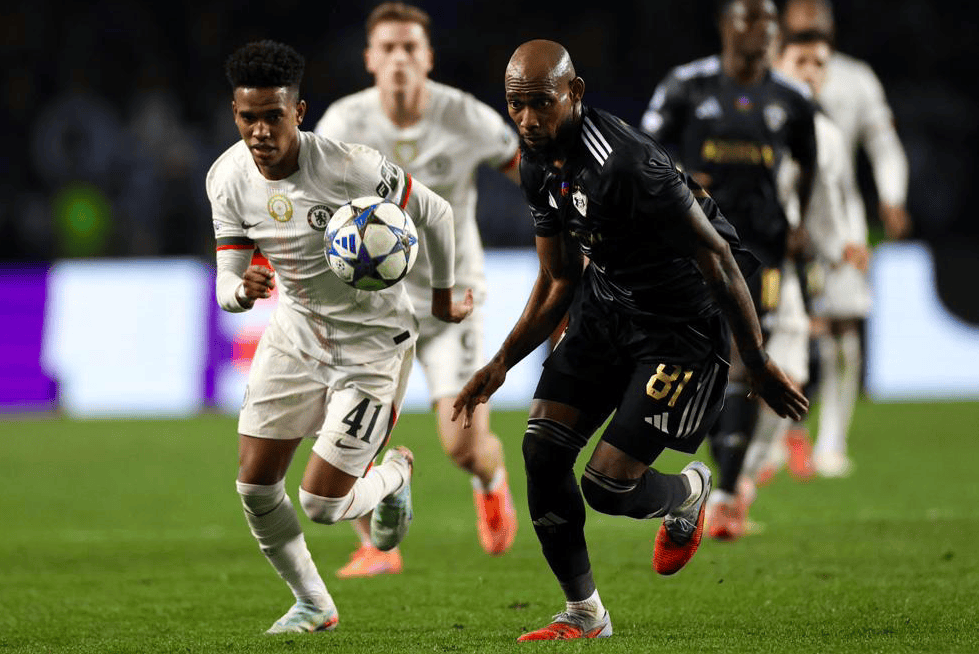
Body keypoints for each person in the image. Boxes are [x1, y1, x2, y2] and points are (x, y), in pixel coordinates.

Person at [452, 39, 808, 641]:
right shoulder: (536, 161)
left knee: (607, 487)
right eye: (516, 105)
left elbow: (719, 259)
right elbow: (559, 277)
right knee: (541, 451)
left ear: (575, 92)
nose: (528, 119)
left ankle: (688, 492)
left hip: (678, 329)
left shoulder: (627, 165)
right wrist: (501, 363)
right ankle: (584, 613)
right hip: (606, 310)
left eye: (541, 103)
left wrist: (757, 359)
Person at [207, 40, 472, 634]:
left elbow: (436, 213)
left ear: (298, 112)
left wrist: (441, 297)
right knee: (254, 486)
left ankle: (395, 474)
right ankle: (313, 603)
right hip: (295, 336)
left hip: (372, 346)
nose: (259, 131)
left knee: (323, 505)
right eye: (248, 117)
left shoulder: (350, 167)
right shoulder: (226, 179)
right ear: (234, 113)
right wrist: (240, 292)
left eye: (273, 116)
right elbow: (226, 277)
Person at [313, 2, 521, 577]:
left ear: (428, 57)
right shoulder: (343, 124)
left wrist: (570, 223)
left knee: (461, 448)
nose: (399, 58)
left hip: (453, 302)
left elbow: (527, 171)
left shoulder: (465, 116)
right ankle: (377, 547)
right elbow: (309, 199)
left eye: (410, 47)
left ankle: (491, 479)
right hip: (376, 308)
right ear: (370, 59)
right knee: (347, 431)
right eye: (388, 47)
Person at [640, 0, 818, 540]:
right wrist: (680, 177)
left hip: (762, 247)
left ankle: (726, 494)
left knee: (746, 357)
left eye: (768, 20)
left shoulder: (792, 98)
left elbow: (809, 162)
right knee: (708, 362)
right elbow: (644, 147)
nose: (761, 29)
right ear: (725, 26)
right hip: (699, 242)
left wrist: (797, 221)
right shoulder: (687, 86)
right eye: (748, 18)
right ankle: (714, 477)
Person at [783, 0, 912, 477]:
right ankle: (775, 437)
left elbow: (883, 144)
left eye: (815, 22)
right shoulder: (766, 75)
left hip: (841, 220)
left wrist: (892, 196)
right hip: (780, 221)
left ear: (830, 27)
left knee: (842, 330)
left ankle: (831, 441)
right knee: (779, 330)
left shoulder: (857, 79)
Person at [741, 28, 858, 498]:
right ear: (779, 64)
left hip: (782, 266)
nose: (811, 72)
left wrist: (841, 244)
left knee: (789, 367)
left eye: (819, 64)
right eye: (800, 61)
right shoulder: (746, 115)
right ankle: (739, 472)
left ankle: (742, 479)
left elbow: (829, 200)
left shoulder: (826, 134)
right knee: (739, 369)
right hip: (733, 259)